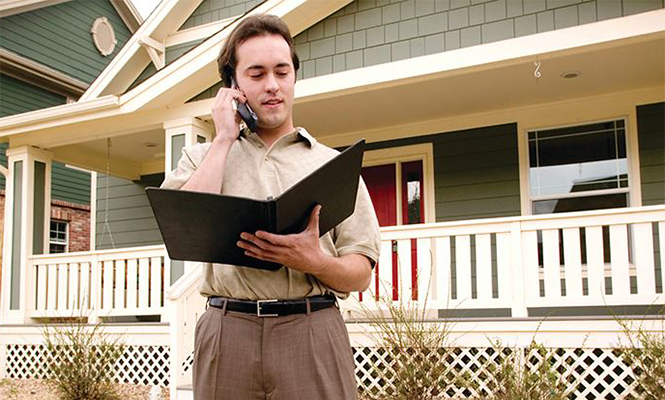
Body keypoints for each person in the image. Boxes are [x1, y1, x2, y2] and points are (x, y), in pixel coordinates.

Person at [160, 14, 381, 400]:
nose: (273, 85)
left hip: (312, 331)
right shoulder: (202, 158)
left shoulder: (333, 166)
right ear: (234, 85)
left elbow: (360, 273)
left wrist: (315, 261)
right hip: (227, 332)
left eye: (281, 71)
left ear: (294, 77)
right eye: (257, 74)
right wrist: (224, 140)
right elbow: (182, 222)